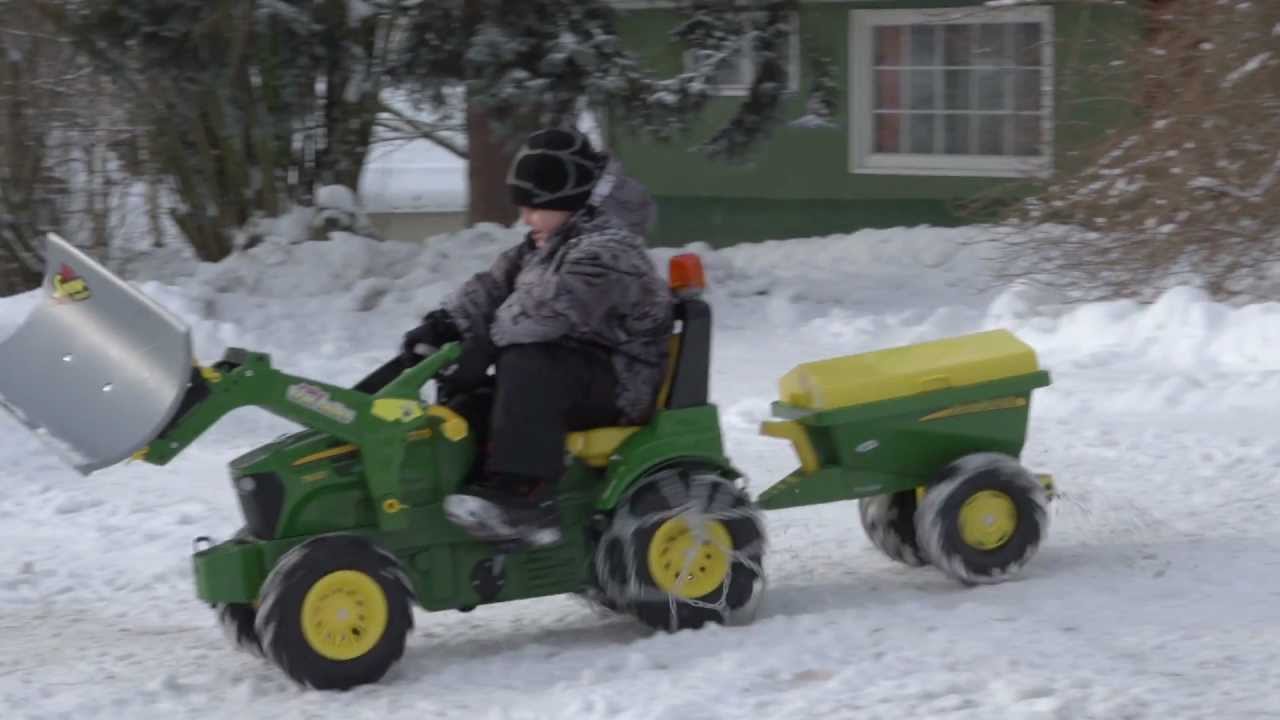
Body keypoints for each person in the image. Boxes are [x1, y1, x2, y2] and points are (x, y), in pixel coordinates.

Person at [401, 127, 673, 547]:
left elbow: (541, 315)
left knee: (527, 364)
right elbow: (494, 287)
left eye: (535, 208)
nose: (525, 218)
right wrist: (446, 324)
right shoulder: (549, 243)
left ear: (569, 202)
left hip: (622, 383)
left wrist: (479, 347)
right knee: (473, 401)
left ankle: (526, 501)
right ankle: (472, 493)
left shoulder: (609, 255)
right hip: (578, 371)